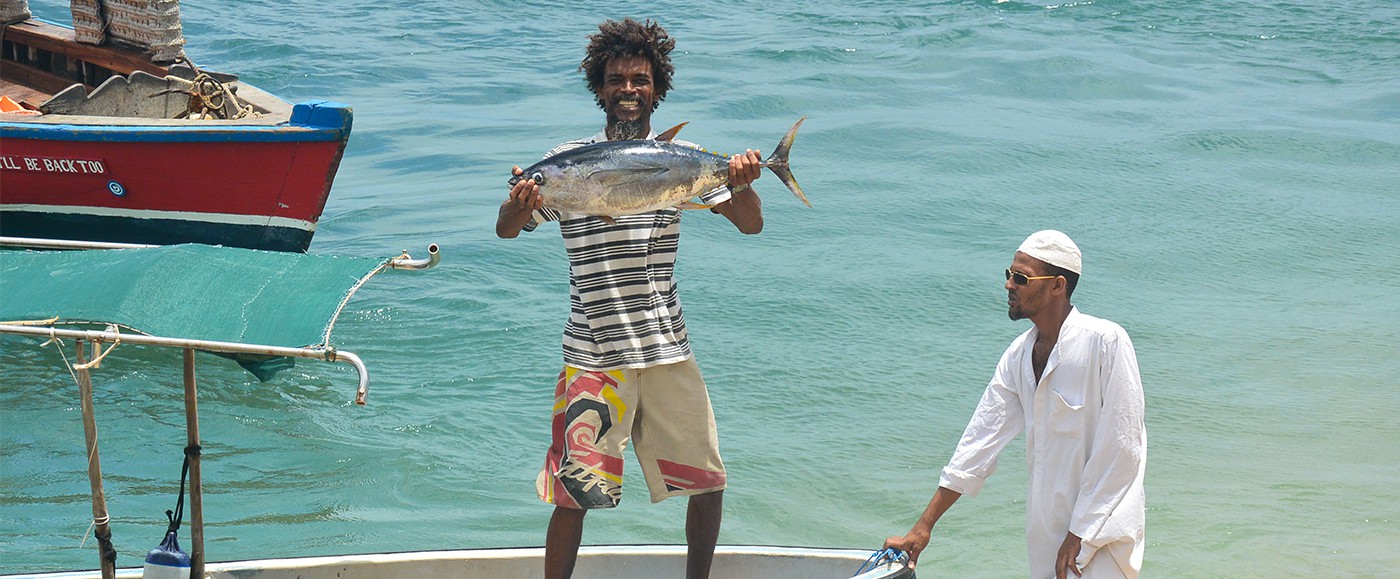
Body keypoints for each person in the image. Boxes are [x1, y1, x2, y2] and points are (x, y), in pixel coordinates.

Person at [495, 18, 765, 579]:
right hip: (593, 352)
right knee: (574, 494)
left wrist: (742, 180)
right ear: (599, 87)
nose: (627, 89)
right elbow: (508, 227)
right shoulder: (568, 163)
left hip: (667, 346)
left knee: (707, 481)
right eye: (616, 79)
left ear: (656, 89)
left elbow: (750, 224)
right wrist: (521, 201)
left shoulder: (679, 160)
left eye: (639, 80)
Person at [885, 230, 1147, 579]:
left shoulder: (1105, 342)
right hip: (1047, 543)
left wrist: (1079, 533)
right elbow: (978, 443)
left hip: (1102, 539)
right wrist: (923, 527)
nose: (1010, 285)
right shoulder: (1018, 356)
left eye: (1021, 278)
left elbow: (1123, 447)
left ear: (1057, 285)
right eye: (1008, 275)